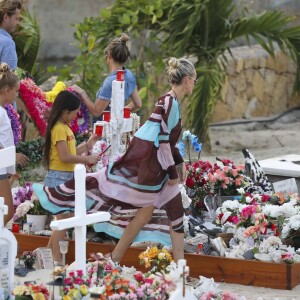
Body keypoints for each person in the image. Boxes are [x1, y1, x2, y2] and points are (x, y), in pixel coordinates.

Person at [36, 57, 197, 263]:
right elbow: (163, 140)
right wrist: (173, 171)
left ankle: (118, 258)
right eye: (194, 80)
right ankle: (177, 266)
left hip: (159, 167)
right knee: (168, 214)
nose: (194, 84)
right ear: (186, 79)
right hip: (158, 170)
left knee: (150, 214)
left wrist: (179, 162)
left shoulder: (170, 101)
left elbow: (167, 139)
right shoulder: (169, 101)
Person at [43, 90, 100, 263]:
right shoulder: (59, 129)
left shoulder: (65, 128)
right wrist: (86, 159)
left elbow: (71, 152)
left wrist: (88, 144)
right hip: (59, 178)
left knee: (63, 220)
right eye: (75, 112)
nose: (77, 116)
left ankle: (46, 255)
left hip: (65, 177)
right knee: (63, 221)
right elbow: (65, 157)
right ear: (65, 111)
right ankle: (57, 260)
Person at [72, 33, 142, 119]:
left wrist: (82, 93)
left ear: (109, 55)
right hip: (118, 126)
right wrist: (118, 114)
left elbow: (96, 111)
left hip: (104, 130)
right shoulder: (129, 75)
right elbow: (138, 104)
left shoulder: (111, 81)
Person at [0, 63, 20, 224]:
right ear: (7, 91)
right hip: (0, 165)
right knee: (7, 210)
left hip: (3, 166)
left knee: (5, 210)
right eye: (16, 91)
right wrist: (8, 157)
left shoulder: (2, 111)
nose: (17, 95)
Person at [0, 0, 22, 70]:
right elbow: (8, 78)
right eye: (16, 18)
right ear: (6, 17)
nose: (18, 23)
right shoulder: (7, 43)